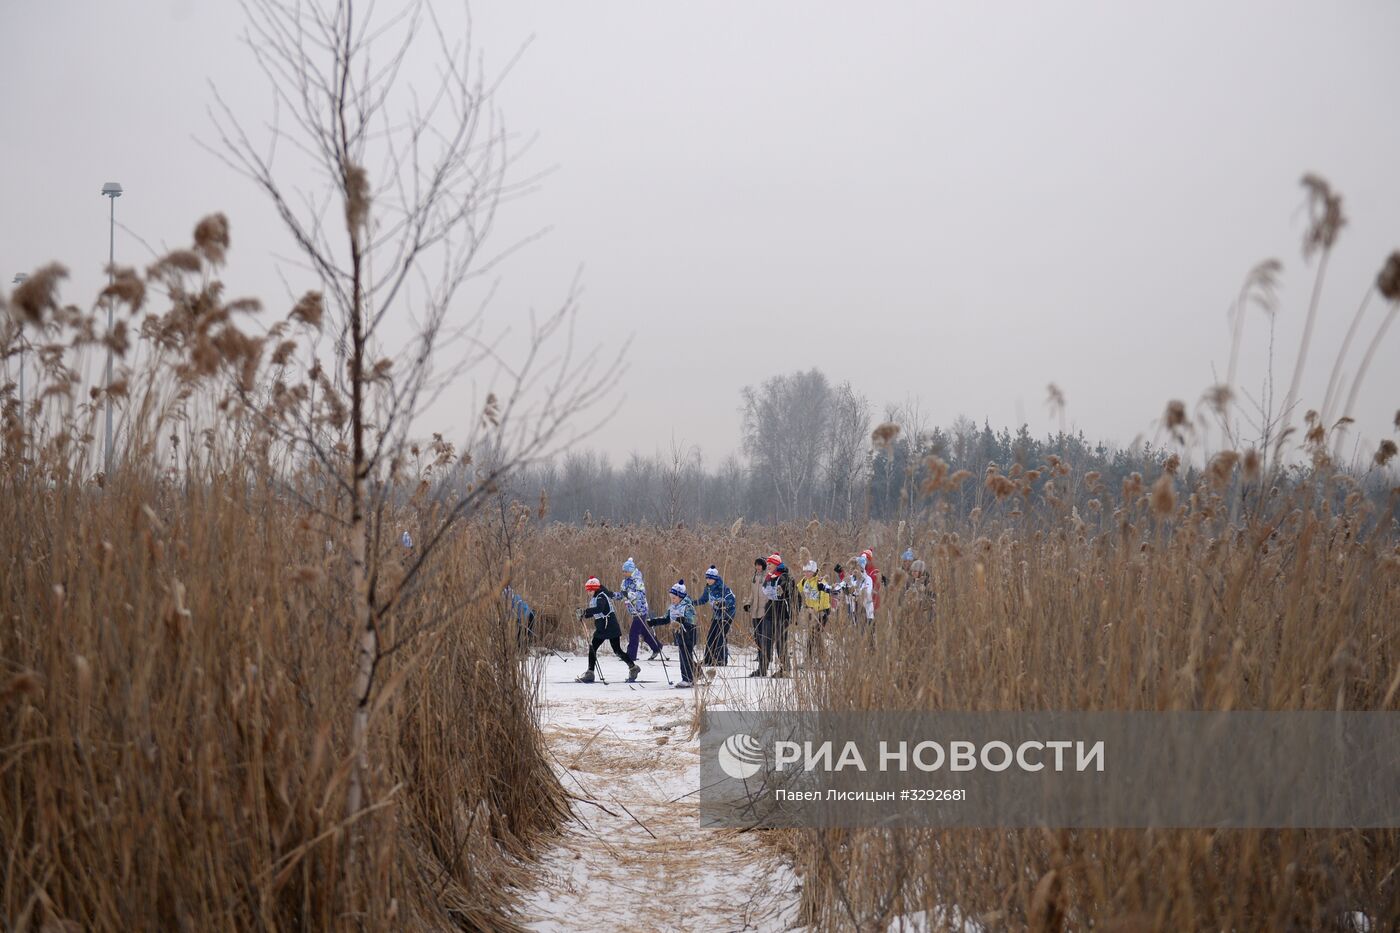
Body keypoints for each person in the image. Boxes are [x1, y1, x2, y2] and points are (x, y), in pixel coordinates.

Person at [576, 576, 639, 683]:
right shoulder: (595, 597)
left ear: (595, 589)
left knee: (617, 650)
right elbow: (597, 612)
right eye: (588, 590)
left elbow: (599, 608)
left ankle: (633, 668)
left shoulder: (601, 597)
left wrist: (585, 611)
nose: (588, 592)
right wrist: (584, 615)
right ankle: (590, 672)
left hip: (610, 627)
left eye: (590, 590)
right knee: (593, 647)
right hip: (602, 628)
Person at [646, 580, 699, 688]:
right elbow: (666, 619)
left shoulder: (688, 607)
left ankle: (687, 679)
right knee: (684, 656)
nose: (672, 600)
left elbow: (692, 620)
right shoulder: (672, 607)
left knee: (685, 656)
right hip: (679, 635)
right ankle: (695, 674)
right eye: (671, 598)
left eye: (674, 598)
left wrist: (682, 620)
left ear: (681, 597)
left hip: (689, 634)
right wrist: (654, 621)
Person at [619, 557, 664, 663]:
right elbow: (623, 594)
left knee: (633, 633)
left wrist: (628, 595)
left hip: (640, 610)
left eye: (626, 571)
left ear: (631, 571)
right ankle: (656, 647)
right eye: (623, 571)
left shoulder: (637, 580)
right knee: (643, 631)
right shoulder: (625, 582)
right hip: (633, 610)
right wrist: (614, 595)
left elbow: (640, 594)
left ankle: (631, 656)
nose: (624, 573)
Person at [757, 554, 795, 677]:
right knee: (765, 641)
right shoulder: (769, 577)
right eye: (767, 564)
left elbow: (791, 594)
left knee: (780, 642)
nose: (768, 566)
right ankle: (762, 669)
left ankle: (785, 669)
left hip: (781, 611)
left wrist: (783, 590)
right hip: (769, 610)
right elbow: (765, 591)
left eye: (770, 564)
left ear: (777, 564)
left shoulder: (784, 577)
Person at [695, 565, 737, 668]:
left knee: (719, 637)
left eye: (710, 578)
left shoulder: (723, 588)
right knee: (710, 637)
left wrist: (723, 603)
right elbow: (703, 600)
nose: (708, 580)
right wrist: (692, 603)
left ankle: (721, 660)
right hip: (716, 615)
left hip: (727, 615)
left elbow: (732, 600)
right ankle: (708, 659)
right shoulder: (708, 588)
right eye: (707, 578)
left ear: (715, 578)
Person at [797, 560, 831, 664]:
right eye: (805, 571)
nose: (806, 574)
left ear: (814, 571)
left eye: (809, 571)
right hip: (810, 612)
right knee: (816, 636)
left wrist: (819, 610)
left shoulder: (820, 582)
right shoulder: (805, 581)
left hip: (821, 612)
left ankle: (810, 659)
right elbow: (797, 589)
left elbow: (826, 594)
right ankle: (823, 659)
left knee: (812, 636)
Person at [742, 557, 769, 677]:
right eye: (756, 565)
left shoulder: (767, 577)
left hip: (764, 611)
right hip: (755, 611)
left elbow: (768, 594)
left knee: (764, 636)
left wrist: (769, 607)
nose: (758, 567)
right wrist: (748, 603)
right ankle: (760, 655)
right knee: (757, 636)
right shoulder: (754, 578)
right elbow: (752, 594)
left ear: (764, 566)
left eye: (760, 565)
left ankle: (766, 658)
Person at [860, 548, 883, 613]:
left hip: (873, 604)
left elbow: (875, 587)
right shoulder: (862, 571)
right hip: (863, 604)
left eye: (865, 560)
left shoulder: (875, 571)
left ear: (869, 560)